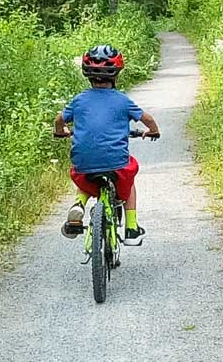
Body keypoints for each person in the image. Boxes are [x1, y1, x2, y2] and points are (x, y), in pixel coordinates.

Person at [54, 45, 160, 243]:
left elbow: (60, 119)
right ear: (116, 74)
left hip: (84, 162)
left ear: (88, 75)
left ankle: (78, 204)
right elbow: (148, 119)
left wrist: (60, 132)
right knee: (128, 185)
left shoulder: (79, 100)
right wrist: (153, 131)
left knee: (86, 177)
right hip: (116, 163)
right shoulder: (123, 101)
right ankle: (131, 228)